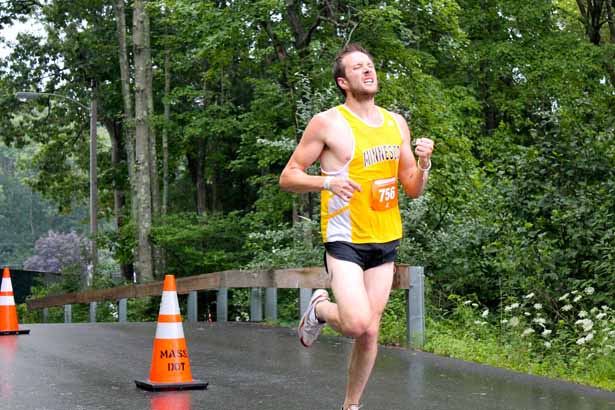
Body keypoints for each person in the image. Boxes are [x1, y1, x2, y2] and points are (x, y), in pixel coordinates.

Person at [279, 43, 434, 410]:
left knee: (370, 332)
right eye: (358, 68)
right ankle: (319, 309)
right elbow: (288, 177)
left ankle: (351, 406)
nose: (368, 71)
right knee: (355, 323)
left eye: (370, 65)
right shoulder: (328, 123)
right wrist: (328, 182)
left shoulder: (396, 123)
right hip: (345, 238)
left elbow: (411, 186)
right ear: (342, 81)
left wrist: (425, 166)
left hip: (385, 238)